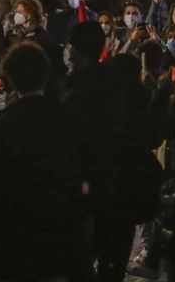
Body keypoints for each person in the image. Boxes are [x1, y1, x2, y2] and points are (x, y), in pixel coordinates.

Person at [0, 43, 89, 282]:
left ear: (11, 79)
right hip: (56, 239)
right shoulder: (66, 121)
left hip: (11, 241)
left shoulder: (2, 126)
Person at [63, 21, 129, 282]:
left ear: (76, 50)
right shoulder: (112, 80)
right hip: (110, 174)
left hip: (87, 177)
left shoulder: (79, 90)